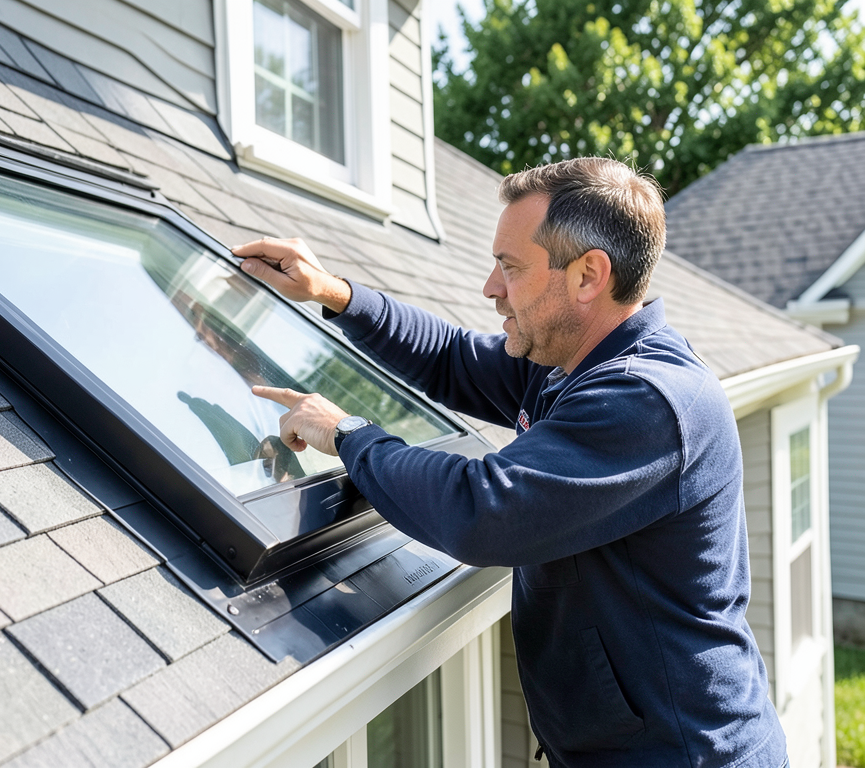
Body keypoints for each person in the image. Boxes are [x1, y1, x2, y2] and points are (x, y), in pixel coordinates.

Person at [232, 157, 787, 768]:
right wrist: (333, 293)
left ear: (588, 276)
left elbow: (481, 510)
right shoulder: (570, 363)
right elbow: (450, 357)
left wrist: (347, 433)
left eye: (511, 266)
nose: (490, 287)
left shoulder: (646, 400)